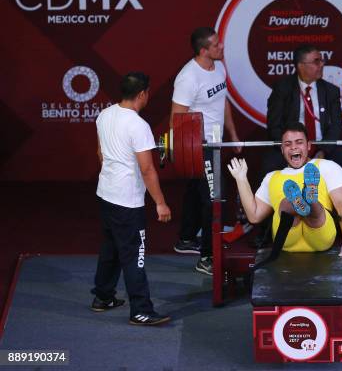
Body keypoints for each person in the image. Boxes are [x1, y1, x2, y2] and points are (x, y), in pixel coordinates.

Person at [91, 72, 172, 326]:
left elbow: (100, 153)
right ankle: (140, 310)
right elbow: (148, 170)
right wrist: (160, 202)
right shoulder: (138, 126)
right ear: (141, 94)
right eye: (147, 92)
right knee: (133, 255)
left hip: (106, 194)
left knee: (111, 248)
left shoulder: (104, 115)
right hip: (127, 202)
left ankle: (103, 297)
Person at [228, 122, 342, 261]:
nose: (293, 147)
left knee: (315, 210)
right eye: (288, 144)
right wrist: (241, 180)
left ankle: (309, 200)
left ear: (308, 145)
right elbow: (254, 216)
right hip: (286, 237)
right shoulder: (272, 177)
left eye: (299, 142)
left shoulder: (328, 166)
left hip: (321, 235)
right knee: (287, 204)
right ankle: (302, 201)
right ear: (282, 149)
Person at [170, 27, 240, 274]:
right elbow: (176, 120)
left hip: (216, 141)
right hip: (199, 146)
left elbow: (223, 102)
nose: (221, 47)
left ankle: (186, 239)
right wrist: (187, 153)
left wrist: (232, 135)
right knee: (214, 198)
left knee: (195, 190)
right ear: (203, 51)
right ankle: (207, 258)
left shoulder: (218, 68)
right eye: (216, 45)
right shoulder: (188, 78)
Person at [263, 44, 342, 222]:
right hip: (292, 148)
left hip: (322, 146)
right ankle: (267, 228)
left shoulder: (330, 91)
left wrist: (323, 151)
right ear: (300, 65)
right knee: (268, 166)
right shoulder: (282, 89)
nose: (322, 64)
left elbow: (336, 126)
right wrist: (291, 151)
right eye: (316, 61)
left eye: (322, 60)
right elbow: (274, 126)